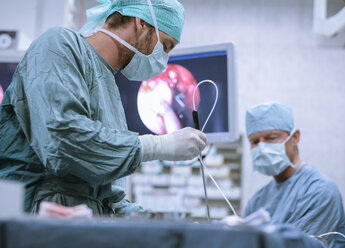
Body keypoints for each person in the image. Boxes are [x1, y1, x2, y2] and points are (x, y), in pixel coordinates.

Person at [0, 0, 207, 216]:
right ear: (141, 24)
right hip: (40, 217)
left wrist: (153, 221)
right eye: (165, 45)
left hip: (83, 224)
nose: (163, 60)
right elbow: (63, 141)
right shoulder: (59, 45)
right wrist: (157, 146)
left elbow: (106, 196)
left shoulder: (108, 89)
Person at [244, 102, 345, 248]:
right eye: (254, 141)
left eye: (271, 138)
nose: (262, 148)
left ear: (295, 137)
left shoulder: (319, 189)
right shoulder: (257, 201)